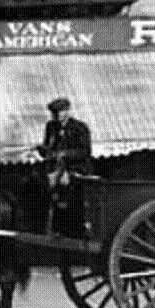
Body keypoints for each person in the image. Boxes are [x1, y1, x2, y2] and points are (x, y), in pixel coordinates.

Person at [36, 96, 92, 237]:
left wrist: (65, 154)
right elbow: (48, 151)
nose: (56, 116)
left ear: (67, 111)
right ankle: (49, 227)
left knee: (69, 191)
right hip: (57, 169)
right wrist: (43, 150)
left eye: (59, 112)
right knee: (39, 183)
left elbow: (85, 152)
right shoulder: (51, 127)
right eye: (54, 113)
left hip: (76, 168)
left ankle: (73, 229)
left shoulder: (80, 128)